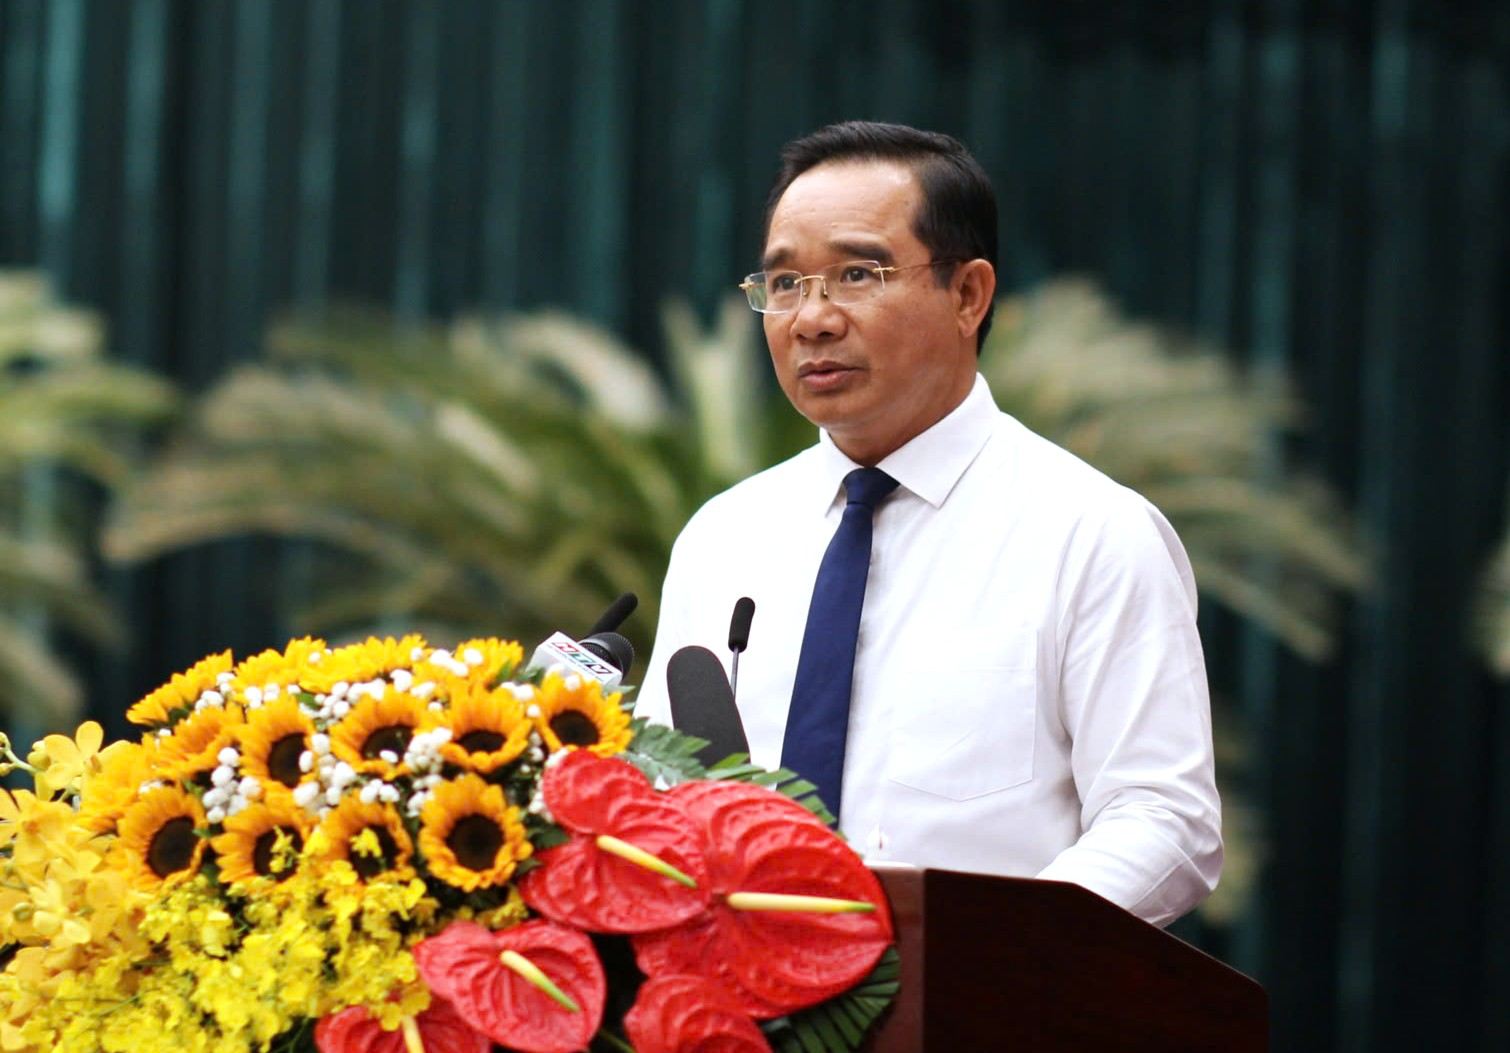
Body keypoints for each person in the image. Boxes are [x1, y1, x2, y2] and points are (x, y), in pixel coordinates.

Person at [635, 121, 1221, 927]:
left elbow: (1165, 821)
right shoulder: (724, 536)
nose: (811, 318)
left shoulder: (1090, 532)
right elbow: (657, 794)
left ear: (968, 294)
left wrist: (984, 965)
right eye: (784, 284)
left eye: (856, 273)